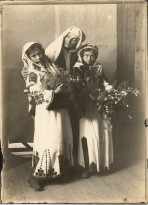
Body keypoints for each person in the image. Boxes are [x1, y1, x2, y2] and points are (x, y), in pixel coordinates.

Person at [21, 42, 74, 191]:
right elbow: (34, 94)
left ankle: (59, 171)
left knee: (61, 136)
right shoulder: (30, 71)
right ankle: (36, 177)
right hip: (46, 110)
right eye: (34, 55)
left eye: (39, 53)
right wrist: (53, 92)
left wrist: (64, 86)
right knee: (49, 140)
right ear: (28, 57)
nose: (38, 57)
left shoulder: (50, 65)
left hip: (60, 108)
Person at [73, 44, 113, 178]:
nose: (89, 58)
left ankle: (102, 163)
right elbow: (78, 89)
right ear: (81, 56)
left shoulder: (98, 68)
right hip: (86, 106)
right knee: (88, 135)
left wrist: (109, 92)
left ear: (96, 56)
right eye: (86, 56)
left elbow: (105, 83)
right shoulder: (77, 69)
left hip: (100, 104)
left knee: (103, 131)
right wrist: (91, 97)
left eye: (92, 56)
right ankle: (87, 165)